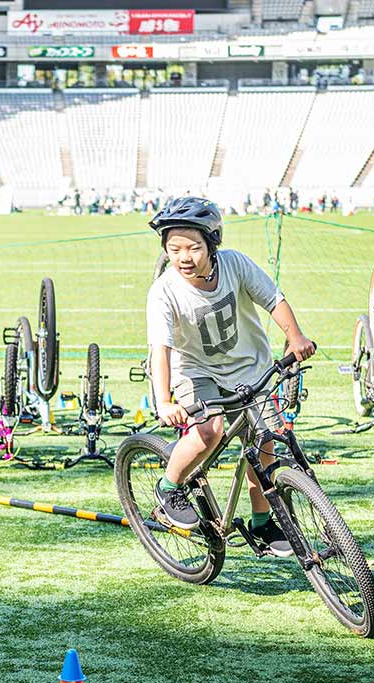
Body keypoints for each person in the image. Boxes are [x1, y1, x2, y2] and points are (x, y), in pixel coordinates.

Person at [145, 197, 316, 557]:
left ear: (212, 243)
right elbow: (160, 349)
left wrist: (295, 337)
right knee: (210, 430)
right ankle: (169, 487)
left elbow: (273, 299)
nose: (183, 257)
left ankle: (262, 521)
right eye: (174, 249)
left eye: (193, 247)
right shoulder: (164, 291)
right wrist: (163, 400)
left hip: (249, 367)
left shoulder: (235, 265)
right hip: (196, 371)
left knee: (264, 445)